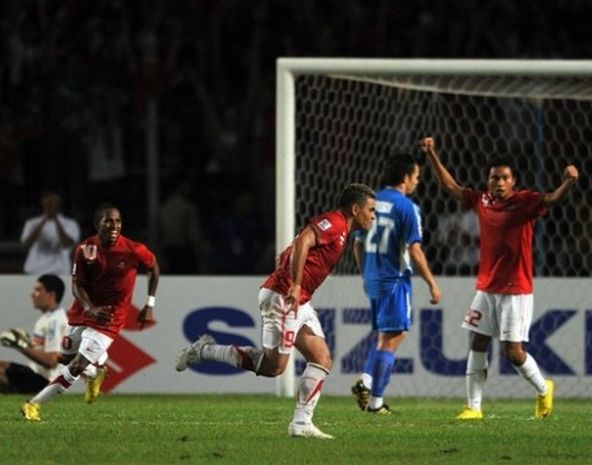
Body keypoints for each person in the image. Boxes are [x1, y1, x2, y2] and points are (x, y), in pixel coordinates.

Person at [175, 183, 376, 439]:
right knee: (273, 368)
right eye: (370, 210)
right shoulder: (335, 222)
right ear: (355, 208)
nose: (373, 215)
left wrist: (291, 266)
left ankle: (302, 423)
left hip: (298, 301)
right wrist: (295, 283)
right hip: (285, 297)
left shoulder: (342, 231)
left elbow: (298, 245)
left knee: (322, 358)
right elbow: (304, 239)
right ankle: (204, 350)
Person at [419, 136, 579, 420]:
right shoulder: (482, 200)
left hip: (516, 289)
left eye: (504, 178)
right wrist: (432, 152)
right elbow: (450, 187)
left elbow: (552, 199)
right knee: (477, 342)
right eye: (494, 177)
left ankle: (544, 389)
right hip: (487, 287)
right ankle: (473, 407)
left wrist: (568, 182)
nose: (499, 183)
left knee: (513, 353)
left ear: (514, 181)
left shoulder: (526, 202)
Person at [21, 203, 160, 421]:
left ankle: (33, 405)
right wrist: (89, 308)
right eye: (108, 221)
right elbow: (77, 284)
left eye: (118, 221)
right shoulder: (86, 249)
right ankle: (97, 372)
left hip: (109, 319)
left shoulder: (133, 249)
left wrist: (149, 304)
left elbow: (153, 267)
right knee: (65, 359)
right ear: (97, 225)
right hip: (82, 312)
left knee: (76, 366)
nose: (114, 226)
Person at [351, 153, 441, 414]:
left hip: (373, 279)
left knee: (385, 337)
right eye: (416, 177)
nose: (417, 182)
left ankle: (375, 401)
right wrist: (432, 284)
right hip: (395, 280)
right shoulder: (407, 207)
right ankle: (369, 388)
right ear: (405, 177)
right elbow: (414, 251)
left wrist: (365, 273)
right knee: (396, 336)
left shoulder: (370, 202)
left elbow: (357, 244)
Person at [0, 274, 67, 394]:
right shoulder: (47, 318)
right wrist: (28, 344)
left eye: (38, 290)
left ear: (51, 295)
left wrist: (21, 346)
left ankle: (16, 393)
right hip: (36, 374)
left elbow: (51, 361)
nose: (33, 294)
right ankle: (14, 393)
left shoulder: (55, 321)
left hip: (47, 382)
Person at [20, 190, 81, 275]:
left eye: (53, 202)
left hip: (60, 271)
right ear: (42, 202)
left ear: (59, 203)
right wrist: (44, 220)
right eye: (48, 202)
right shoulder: (31, 223)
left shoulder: (70, 223)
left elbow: (66, 244)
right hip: (34, 270)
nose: (50, 205)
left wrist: (55, 220)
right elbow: (26, 244)